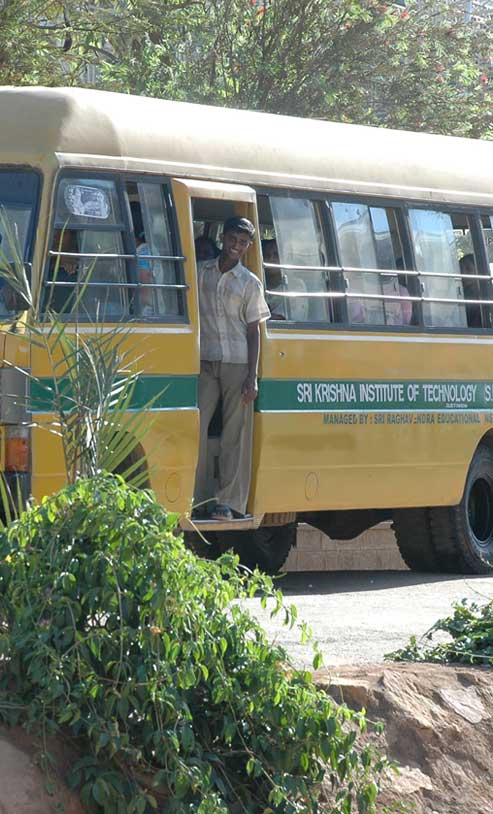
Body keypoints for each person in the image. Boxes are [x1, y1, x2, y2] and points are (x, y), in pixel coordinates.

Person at [194, 216, 270, 521]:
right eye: (232, 240)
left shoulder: (250, 283)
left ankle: (227, 502)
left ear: (248, 246)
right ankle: (197, 498)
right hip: (205, 359)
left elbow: (254, 331)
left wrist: (252, 377)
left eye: (243, 242)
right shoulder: (202, 273)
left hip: (238, 363)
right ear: (223, 238)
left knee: (233, 434)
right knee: (196, 426)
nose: (236, 246)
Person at [262, 238, 308, 321]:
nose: (270, 259)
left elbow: (280, 319)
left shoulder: (295, 285)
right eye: (267, 255)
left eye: (276, 255)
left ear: (284, 258)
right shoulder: (260, 283)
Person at [459, 253, 482, 328]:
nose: (463, 274)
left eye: (468, 269)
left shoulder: (488, 294)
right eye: (460, 270)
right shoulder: (460, 295)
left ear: (479, 271)